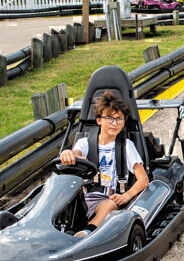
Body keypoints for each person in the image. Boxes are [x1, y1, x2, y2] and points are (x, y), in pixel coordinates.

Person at [59, 91, 149, 237]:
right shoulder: (85, 143)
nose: (115, 123)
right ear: (99, 120)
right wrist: (68, 154)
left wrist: (126, 196)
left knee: (110, 205)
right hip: (81, 197)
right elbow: (76, 154)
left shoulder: (126, 146)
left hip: (107, 198)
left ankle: (88, 232)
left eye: (119, 119)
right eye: (109, 118)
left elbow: (143, 179)